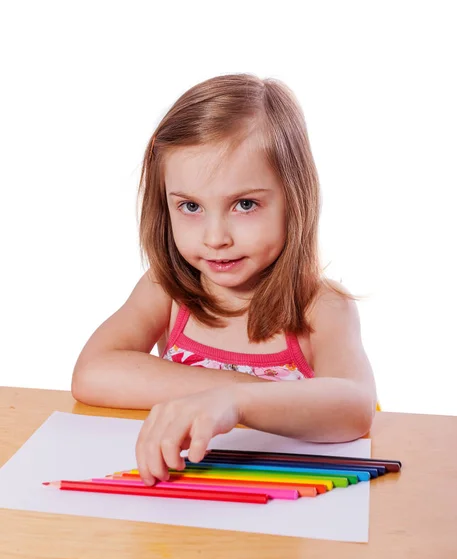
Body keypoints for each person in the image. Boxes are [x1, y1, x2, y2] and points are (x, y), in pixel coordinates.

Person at [71, 73, 378, 486]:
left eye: (245, 204)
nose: (216, 238)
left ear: (295, 198)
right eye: (191, 206)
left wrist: (238, 401)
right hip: (192, 499)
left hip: (286, 506)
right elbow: (92, 373)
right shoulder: (167, 290)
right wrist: (227, 390)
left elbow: (355, 408)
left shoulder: (320, 307)